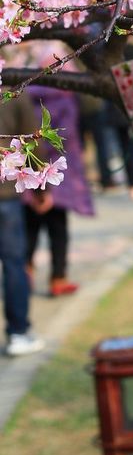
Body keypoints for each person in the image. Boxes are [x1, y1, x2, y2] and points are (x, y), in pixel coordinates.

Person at [23, 86, 94, 297]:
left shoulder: (23, 97)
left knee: (29, 228)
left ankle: (25, 273)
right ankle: (58, 277)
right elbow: (66, 137)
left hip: (26, 173)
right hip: (58, 175)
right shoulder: (64, 98)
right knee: (58, 230)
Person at [0, 94, 45, 356]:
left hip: (7, 192)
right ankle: (18, 332)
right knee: (14, 264)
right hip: (5, 197)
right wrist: (41, 188)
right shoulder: (14, 91)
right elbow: (33, 139)